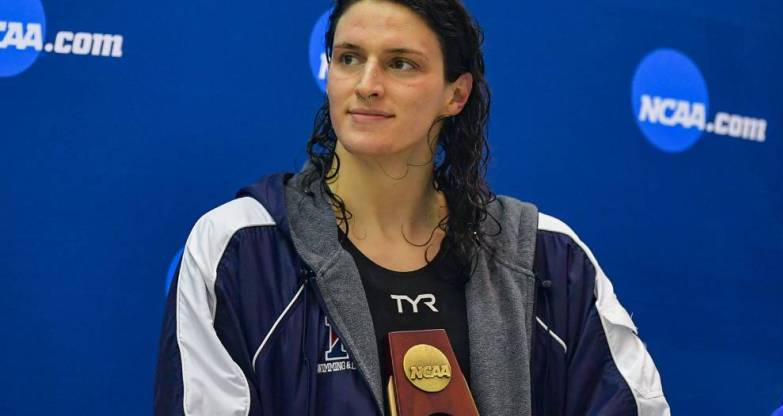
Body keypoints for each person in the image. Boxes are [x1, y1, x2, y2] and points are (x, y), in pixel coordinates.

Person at [154, 0, 670, 414]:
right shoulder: (241, 248)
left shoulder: (548, 257)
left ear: (456, 94)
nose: (367, 85)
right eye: (349, 57)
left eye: (401, 63)